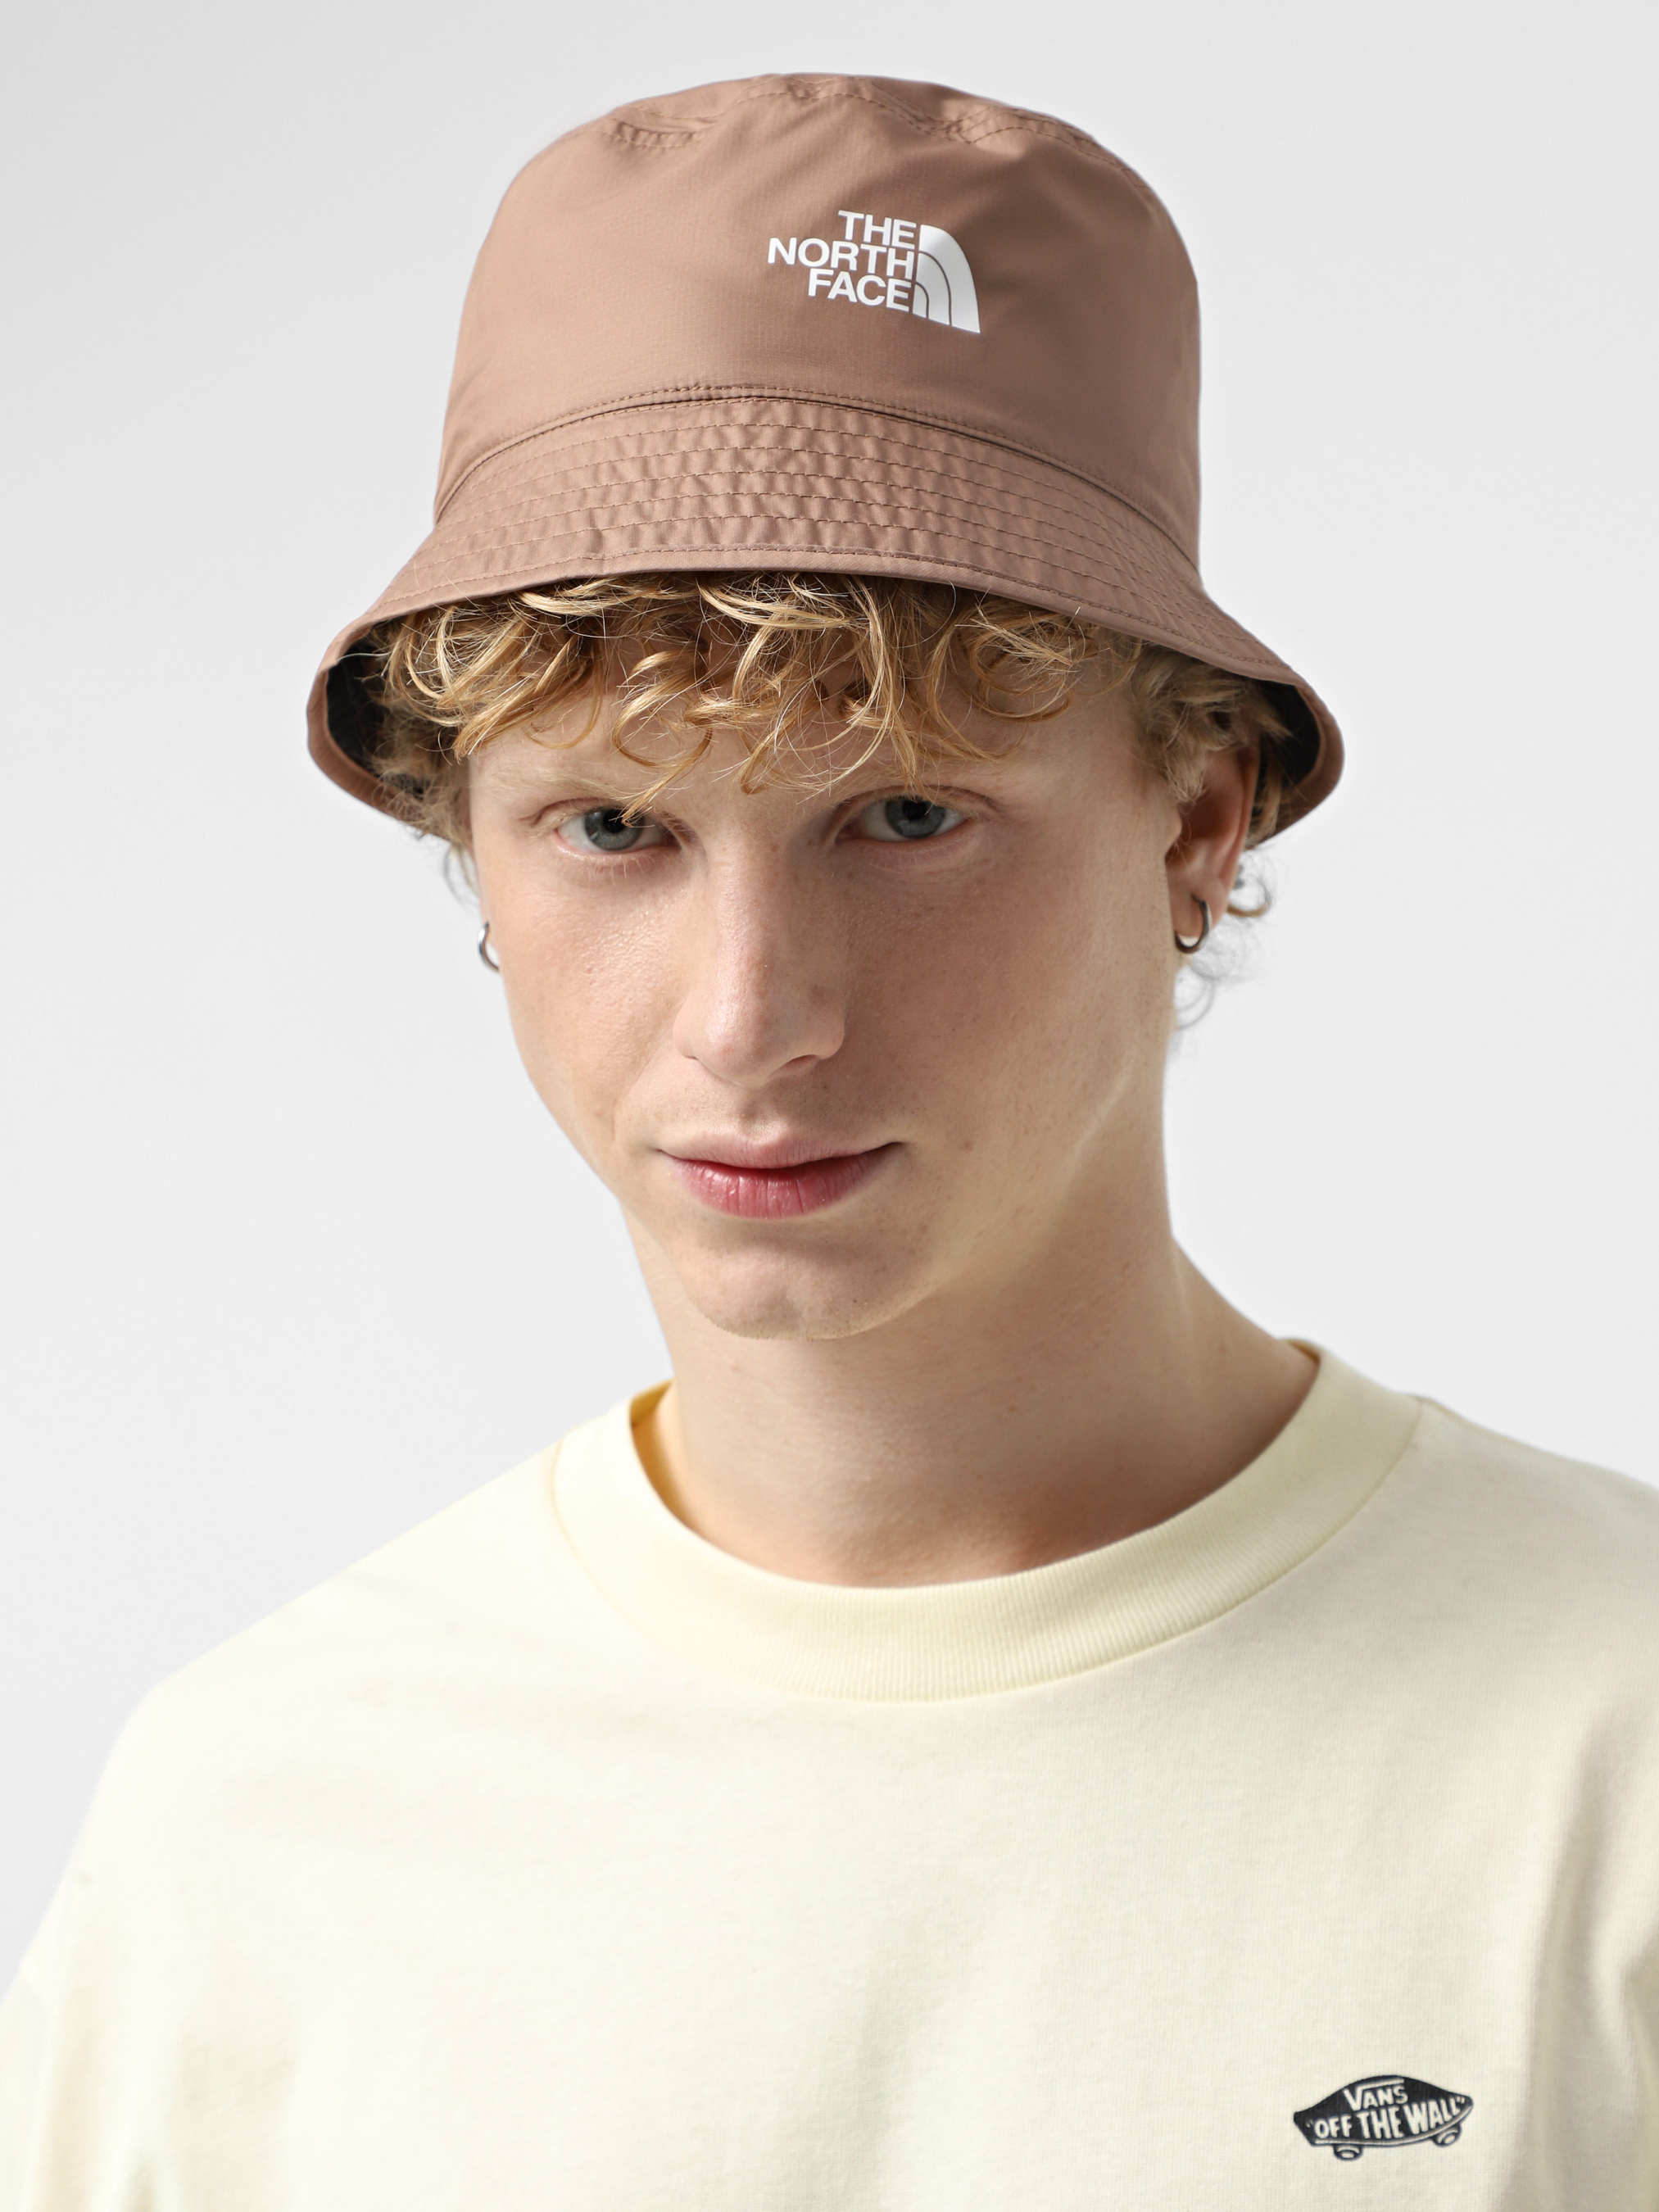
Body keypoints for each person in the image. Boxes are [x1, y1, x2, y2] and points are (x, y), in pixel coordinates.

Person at [2, 70, 1654, 2210]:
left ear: (1195, 814)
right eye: (614, 827)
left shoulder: (1610, 1747)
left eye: (907, 814)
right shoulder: (256, 1835)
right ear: (468, 841)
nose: (750, 1014)